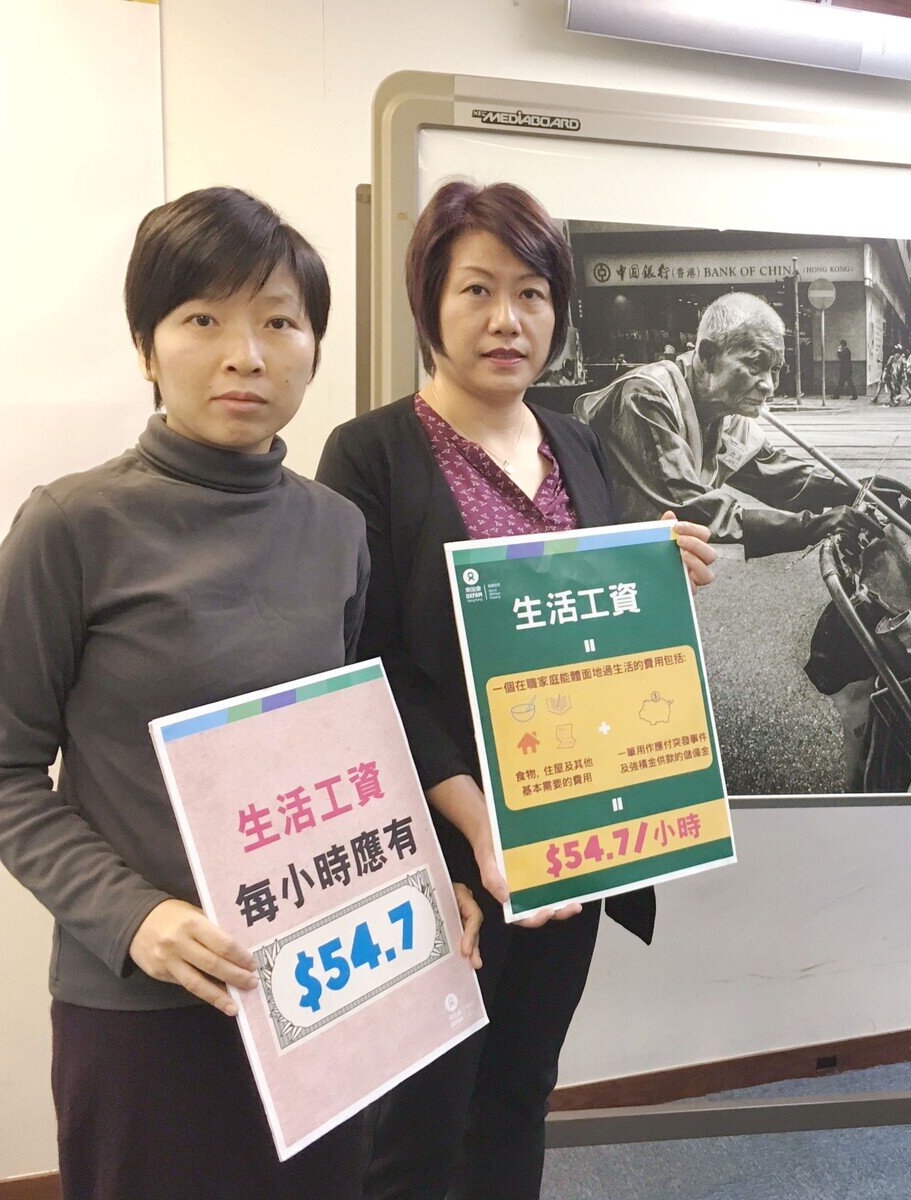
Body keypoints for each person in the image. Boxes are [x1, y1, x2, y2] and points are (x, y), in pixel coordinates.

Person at [0, 188, 477, 1200]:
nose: (248, 354)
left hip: (321, 979)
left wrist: (412, 865)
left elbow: (346, 741)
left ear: (314, 344)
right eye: (204, 320)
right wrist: (131, 915)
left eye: (280, 321)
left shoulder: (335, 528)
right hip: (147, 998)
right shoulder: (70, 525)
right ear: (147, 347)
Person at [316, 180, 719, 1200]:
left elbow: (591, 635)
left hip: (567, 837)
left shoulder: (574, 442)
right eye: (478, 290)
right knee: (420, 1122)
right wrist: (475, 820)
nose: (507, 320)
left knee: (519, 1093)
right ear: (429, 304)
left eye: (533, 293)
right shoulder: (370, 455)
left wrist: (651, 569)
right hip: (442, 849)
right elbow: (366, 669)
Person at [575, 292, 911, 557]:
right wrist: (815, 525)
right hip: (577, 555)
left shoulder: (727, 410)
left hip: (636, 553)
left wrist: (853, 488)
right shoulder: (648, 396)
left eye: (775, 369)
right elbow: (690, 508)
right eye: (755, 365)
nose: (769, 384)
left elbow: (777, 475)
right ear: (707, 355)